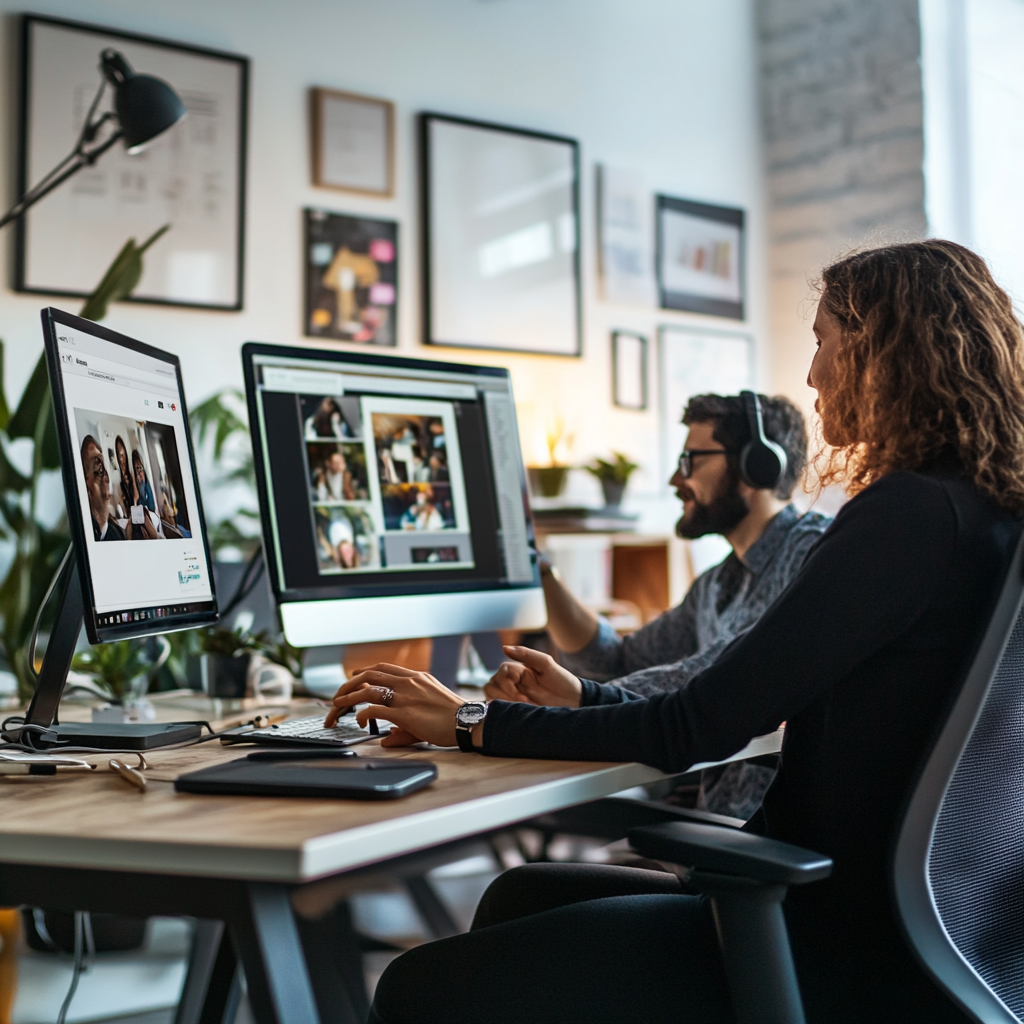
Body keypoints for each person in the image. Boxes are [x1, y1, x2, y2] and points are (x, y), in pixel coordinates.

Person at [327, 240, 1024, 1024]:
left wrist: (468, 722)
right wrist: (571, 698)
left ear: (881, 349)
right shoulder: (983, 514)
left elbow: (698, 722)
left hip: (836, 939)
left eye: (826, 341)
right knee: (519, 893)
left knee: (415, 986)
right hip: (943, 933)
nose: (813, 374)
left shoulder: (907, 517)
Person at [489, 393, 830, 816]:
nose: (674, 479)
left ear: (753, 465)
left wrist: (568, 702)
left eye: (690, 461)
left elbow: (708, 676)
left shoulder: (814, 555)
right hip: (717, 827)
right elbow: (617, 663)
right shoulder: (717, 584)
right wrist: (543, 573)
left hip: (766, 836)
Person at [81, 435, 126, 541]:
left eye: (102, 463)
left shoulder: (119, 533)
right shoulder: (85, 537)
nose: (105, 474)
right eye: (97, 465)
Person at [114, 435, 136, 516]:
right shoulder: (118, 479)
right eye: (120, 456)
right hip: (127, 514)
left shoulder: (131, 473)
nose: (122, 459)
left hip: (136, 509)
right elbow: (120, 501)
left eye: (123, 455)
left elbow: (136, 497)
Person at [131, 450, 156, 514]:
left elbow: (153, 510)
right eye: (135, 472)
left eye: (139, 468)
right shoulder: (134, 495)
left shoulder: (149, 489)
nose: (138, 477)